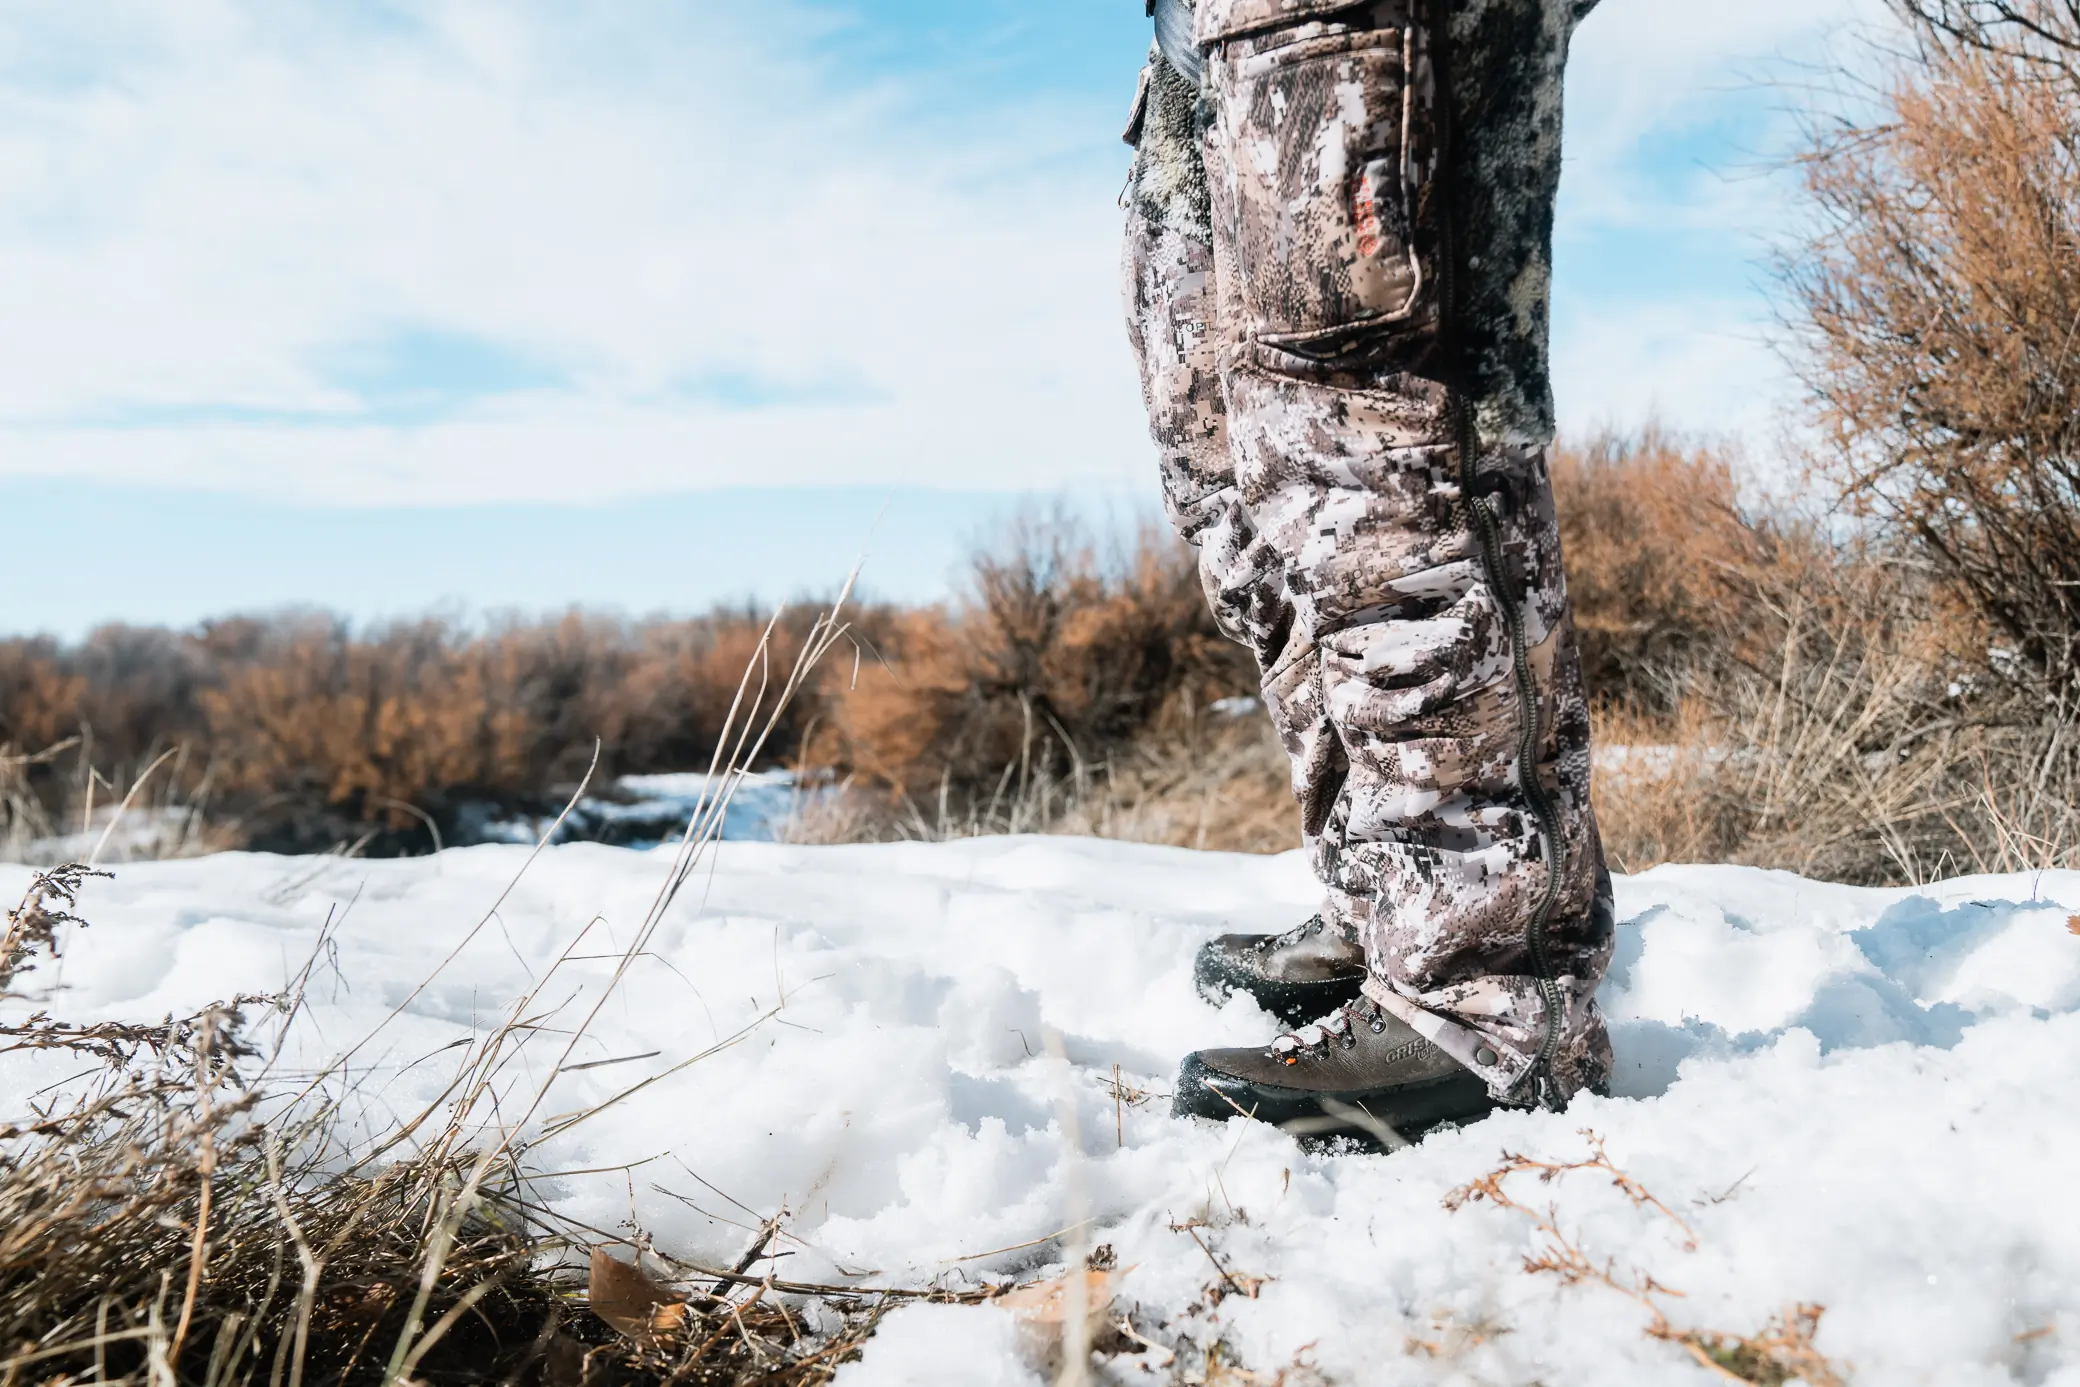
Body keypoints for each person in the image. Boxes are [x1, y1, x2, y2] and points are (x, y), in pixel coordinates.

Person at [1121, 0, 1613, 1137]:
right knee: (1235, 469)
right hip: (1198, 37)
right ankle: (1390, 896)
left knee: (1375, 447)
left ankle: (1490, 991)